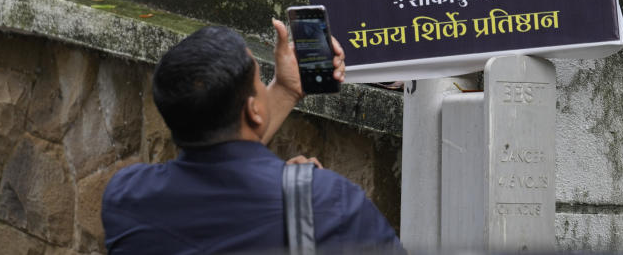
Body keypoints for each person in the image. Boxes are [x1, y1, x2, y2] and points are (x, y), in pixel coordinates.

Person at [101, 19, 401, 254]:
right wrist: (304, 194)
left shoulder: (126, 199)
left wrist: (285, 90)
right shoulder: (327, 202)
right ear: (253, 111)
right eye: (259, 80)